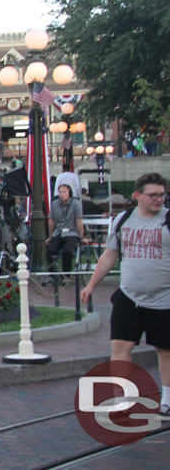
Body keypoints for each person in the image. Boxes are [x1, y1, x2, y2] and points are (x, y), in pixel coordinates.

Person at [81, 172, 170, 417]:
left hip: (164, 299)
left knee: (165, 350)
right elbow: (110, 254)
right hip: (129, 297)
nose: (159, 200)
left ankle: (168, 399)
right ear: (137, 195)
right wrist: (91, 285)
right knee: (120, 346)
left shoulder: (168, 220)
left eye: (162, 195)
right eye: (153, 195)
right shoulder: (124, 219)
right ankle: (125, 398)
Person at [46, 184, 88, 273]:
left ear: (69, 193)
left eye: (64, 192)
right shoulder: (54, 204)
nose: (62, 194)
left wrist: (81, 236)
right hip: (58, 232)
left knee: (67, 251)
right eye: (60, 192)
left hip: (72, 232)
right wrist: (50, 236)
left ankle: (67, 274)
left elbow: (79, 220)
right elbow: (51, 221)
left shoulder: (76, 204)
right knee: (50, 250)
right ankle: (53, 275)